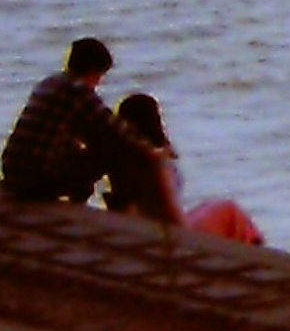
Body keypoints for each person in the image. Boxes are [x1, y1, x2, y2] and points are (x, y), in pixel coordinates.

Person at [103, 92, 265, 246]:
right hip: (170, 233)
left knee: (217, 206)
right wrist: (190, 238)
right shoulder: (157, 163)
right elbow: (171, 212)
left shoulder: (123, 160)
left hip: (148, 228)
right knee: (230, 211)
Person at [0, 37, 129, 206]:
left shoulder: (49, 83)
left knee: (84, 144)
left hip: (12, 172)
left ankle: (78, 198)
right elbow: (114, 129)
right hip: (36, 180)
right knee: (112, 147)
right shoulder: (78, 90)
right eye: (100, 75)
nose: (99, 82)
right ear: (91, 70)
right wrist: (153, 150)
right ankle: (121, 205)